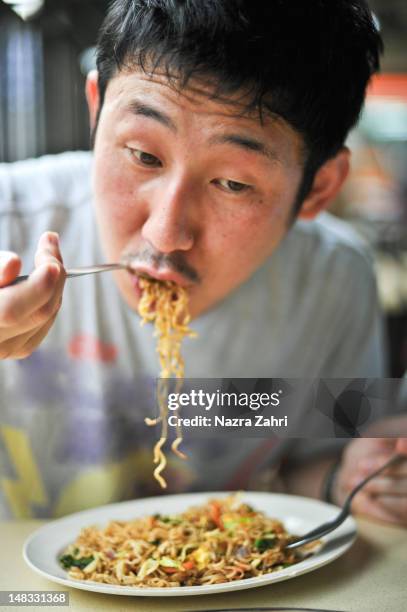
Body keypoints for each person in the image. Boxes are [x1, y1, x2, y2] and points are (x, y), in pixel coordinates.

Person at [0, 0, 405, 524]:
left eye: (233, 184)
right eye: (144, 155)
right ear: (97, 109)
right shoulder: (10, 220)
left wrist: (349, 478)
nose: (165, 233)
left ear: (319, 187)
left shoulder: (334, 281)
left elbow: (314, 462)